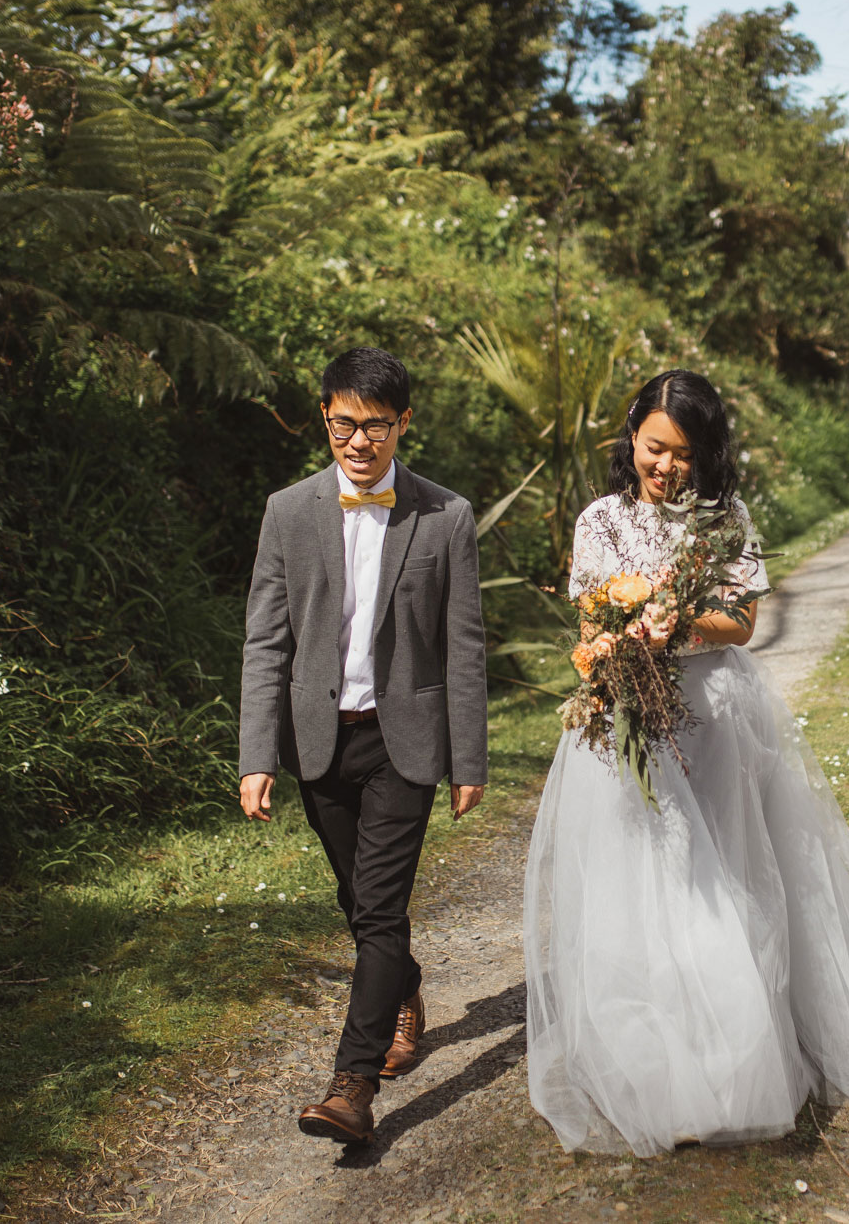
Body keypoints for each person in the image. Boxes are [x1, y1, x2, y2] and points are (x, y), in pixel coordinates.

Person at [523, 369, 849, 1157]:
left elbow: (741, 623)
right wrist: (609, 646)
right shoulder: (599, 521)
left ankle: (727, 1064)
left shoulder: (726, 516)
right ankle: (651, 1064)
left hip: (713, 715)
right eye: (653, 448)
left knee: (722, 876)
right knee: (638, 885)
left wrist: (672, 624)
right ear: (630, 433)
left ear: (706, 454)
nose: (665, 467)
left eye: (682, 453)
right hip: (623, 717)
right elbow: (588, 622)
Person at [237, 347, 487, 1146]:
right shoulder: (288, 511)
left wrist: (468, 759)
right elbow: (265, 642)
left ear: (403, 424)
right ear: (325, 418)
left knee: (379, 908)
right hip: (319, 742)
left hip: (401, 742)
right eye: (344, 423)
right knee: (360, 901)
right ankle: (404, 987)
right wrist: (255, 753)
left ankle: (352, 1083)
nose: (358, 441)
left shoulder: (445, 516)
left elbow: (465, 645)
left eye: (375, 426)